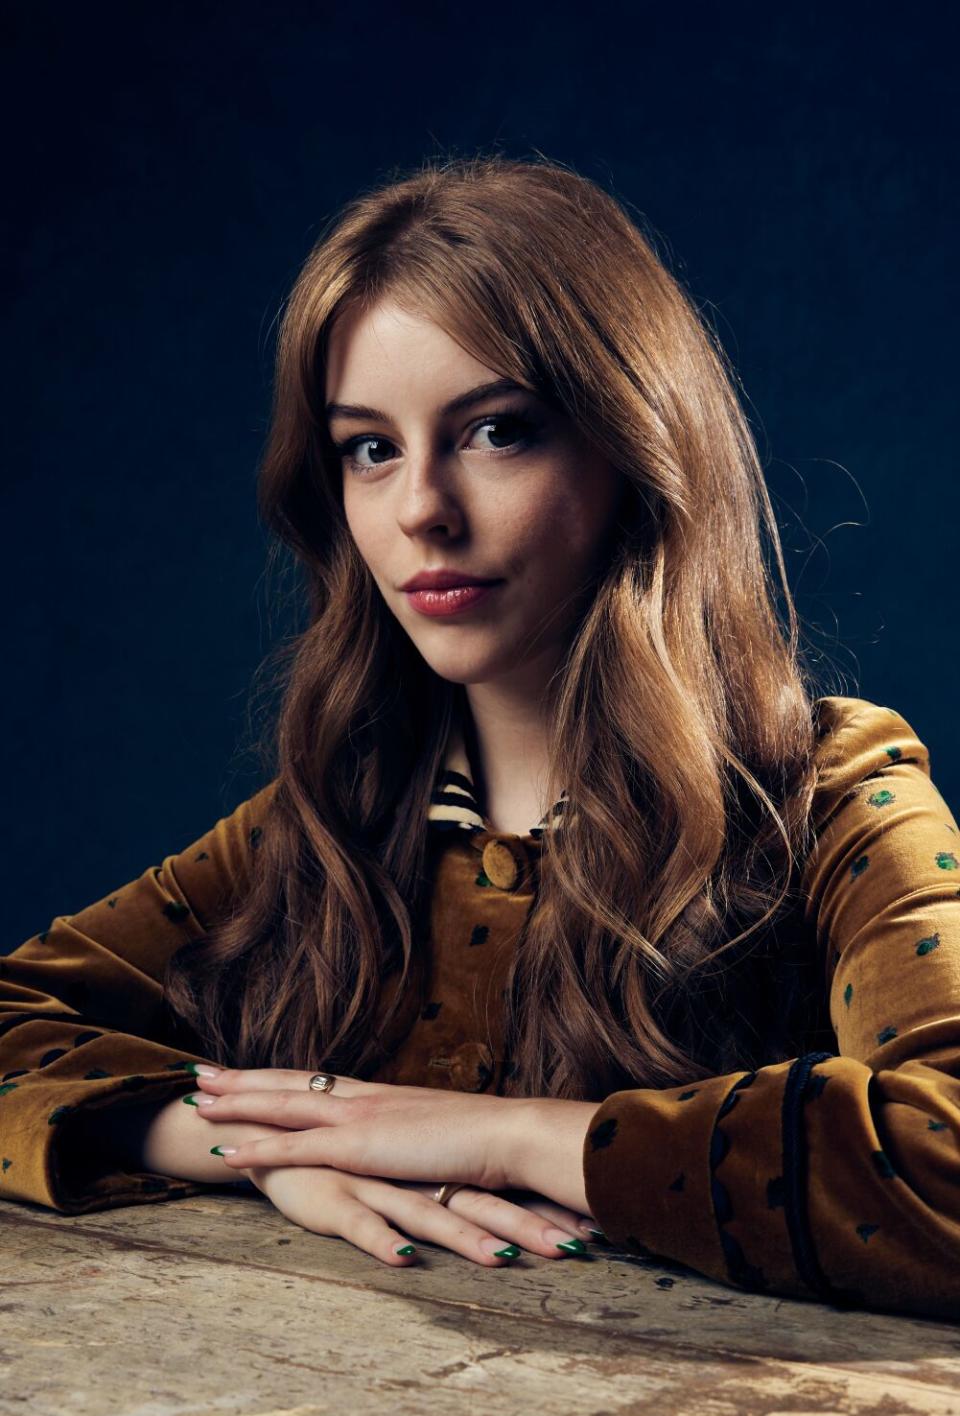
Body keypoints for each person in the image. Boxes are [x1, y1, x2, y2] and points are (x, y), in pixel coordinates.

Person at [2, 153, 959, 1320]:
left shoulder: (829, 795)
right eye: (370, 446)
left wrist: (512, 1137)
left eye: (497, 430)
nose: (420, 510)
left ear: (634, 448)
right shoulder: (326, 826)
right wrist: (281, 1146)